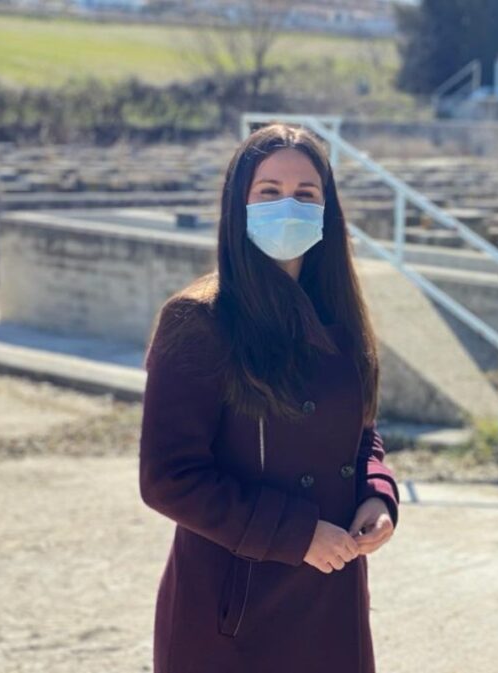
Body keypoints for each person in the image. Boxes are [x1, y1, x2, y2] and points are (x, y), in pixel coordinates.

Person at [139, 123, 399, 673]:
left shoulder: (341, 316)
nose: (289, 205)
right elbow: (168, 477)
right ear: (239, 205)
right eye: (269, 191)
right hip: (235, 613)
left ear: (327, 210)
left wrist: (377, 494)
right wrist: (297, 534)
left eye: (306, 194)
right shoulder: (199, 320)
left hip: (332, 602)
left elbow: (359, 433)